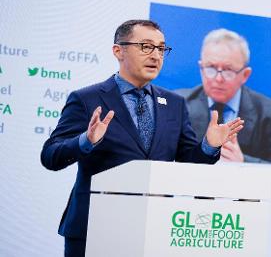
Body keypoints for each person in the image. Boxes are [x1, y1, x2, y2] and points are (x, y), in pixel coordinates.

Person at [41, 20, 243, 256]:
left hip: (153, 230)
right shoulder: (87, 99)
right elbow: (51, 156)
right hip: (95, 228)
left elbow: (190, 161)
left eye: (161, 48)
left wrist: (209, 146)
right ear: (118, 51)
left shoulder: (174, 104)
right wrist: (86, 141)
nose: (156, 55)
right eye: (146, 46)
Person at [175, 28, 271, 164]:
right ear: (201, 68)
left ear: (245, 75)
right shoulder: (178, 105)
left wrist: (243, 162)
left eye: (228, 70)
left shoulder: (270, 114)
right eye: (210, 68)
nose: (218, 79)